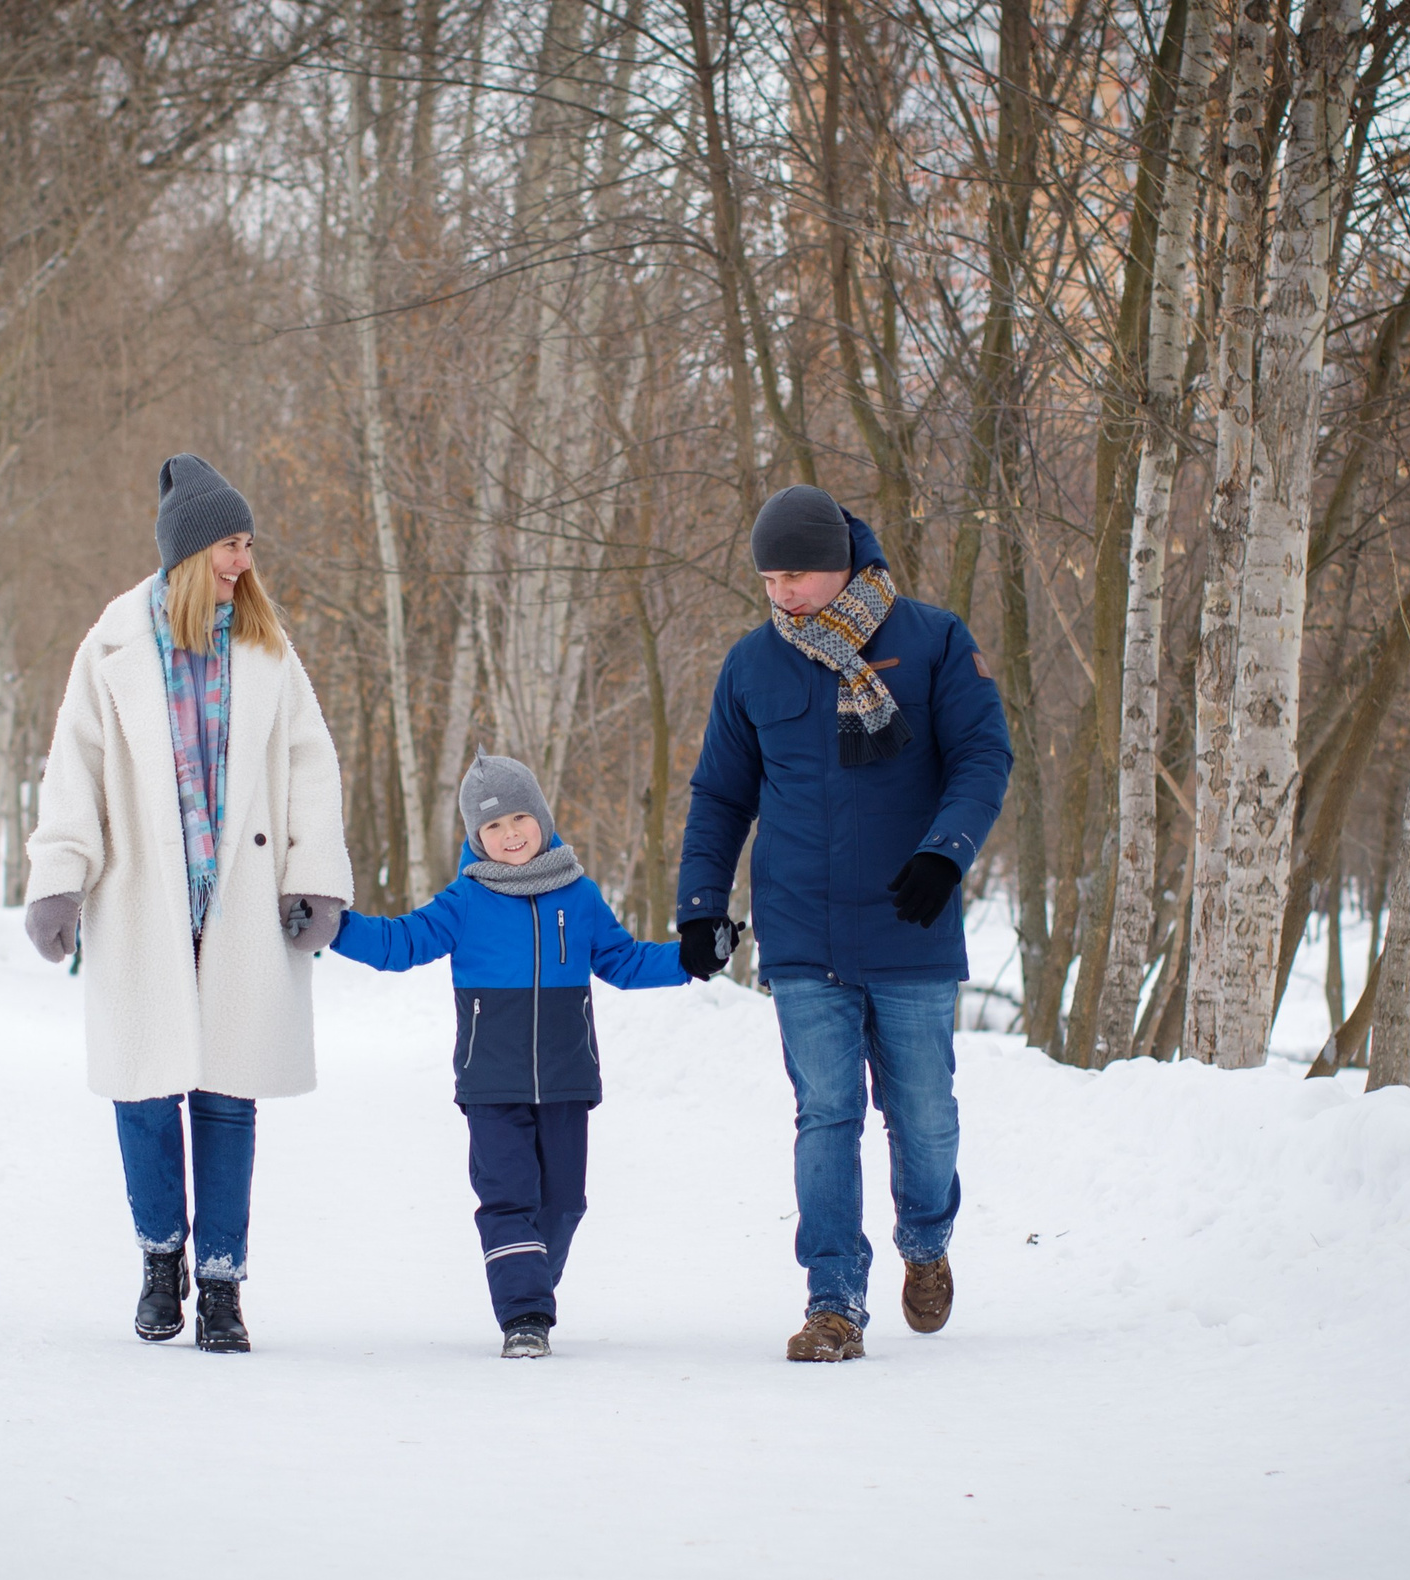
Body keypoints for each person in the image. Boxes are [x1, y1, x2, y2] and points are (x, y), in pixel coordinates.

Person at [674, 485, 1012, 1363]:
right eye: (768, 578)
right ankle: (834, 1299)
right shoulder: (753, 664)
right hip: (802, 936)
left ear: (843, 565)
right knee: (826, 1112)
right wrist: (703, 904)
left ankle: (927, 1242)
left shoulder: (933, 641)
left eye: (794, 574)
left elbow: (983, 756)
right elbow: (720, 795)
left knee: (924, 1113)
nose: (780, 592)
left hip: (911, 922)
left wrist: (948, 852)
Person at [23, 453, 352, 1354]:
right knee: (142, 1089)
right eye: (231, 545)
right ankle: (161, 1259)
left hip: (239, 902)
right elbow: (75, 767)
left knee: (228, 1094)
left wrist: (313, 873)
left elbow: (307, 764)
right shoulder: (112, 648)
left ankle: (222, 1284)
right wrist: (59, 876)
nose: (245, 561)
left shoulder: (267, 646)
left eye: (247, 544)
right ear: (187, 554)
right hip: (143, 898)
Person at [327, 754, 701, 1358]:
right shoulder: (465, 899)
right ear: (476, 836)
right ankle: (524, 1313)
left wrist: (691, 959)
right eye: (493, 827)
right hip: (491, 1082)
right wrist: (336, 928)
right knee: (508, 1199)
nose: (510, 835)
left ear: (542, 817)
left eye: (520, 817)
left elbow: (625, 962)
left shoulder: (578, 895)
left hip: (565, 1078)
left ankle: (528, 1283)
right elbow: (401, 942)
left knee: (564, 1203)